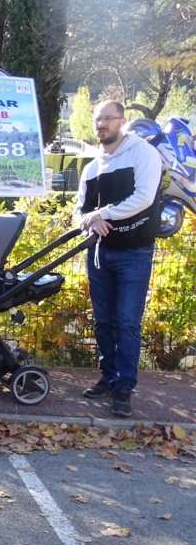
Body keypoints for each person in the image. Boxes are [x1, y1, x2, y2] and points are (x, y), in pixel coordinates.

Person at [74, 101, 163, 418]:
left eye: (108, 119)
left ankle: (124, 387)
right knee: (105, 321)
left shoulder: (143, 154)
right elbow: (79, 210)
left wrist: (104, 213)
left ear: (122, 122)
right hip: (100, 253)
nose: (101, 125)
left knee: (126, 322)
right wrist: (90, 220)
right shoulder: (91, 166)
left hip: (134, 252)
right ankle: (108, 378)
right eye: (98, 119)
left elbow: (144, 197)